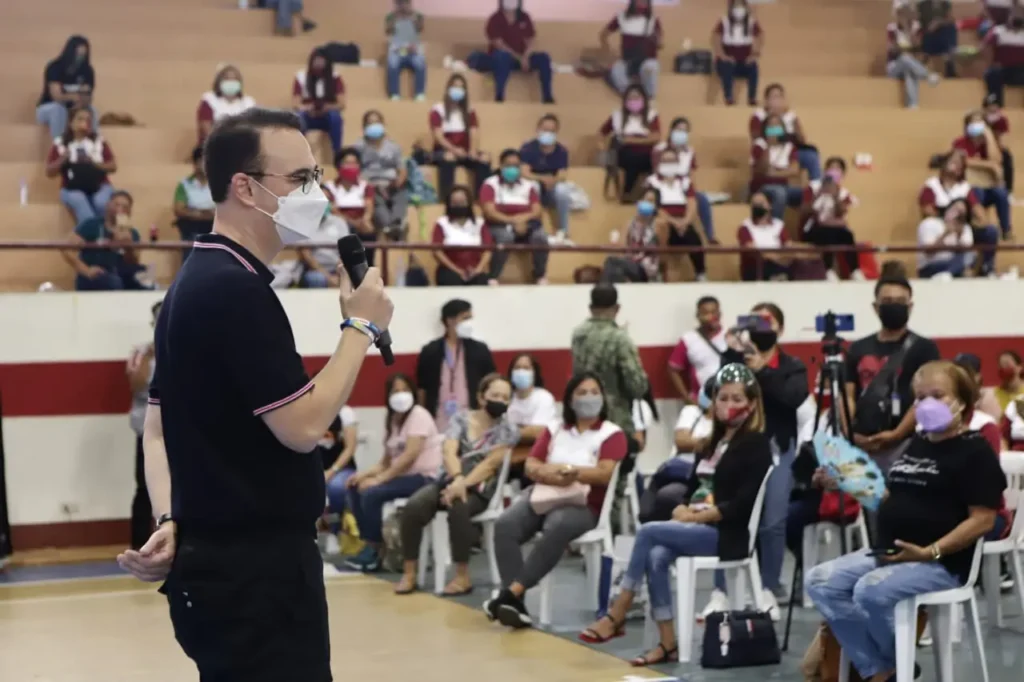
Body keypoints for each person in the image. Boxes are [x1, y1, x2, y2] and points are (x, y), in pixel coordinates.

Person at [115, 108, 394, 682]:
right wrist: (359, 328)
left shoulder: (192, 283)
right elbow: (304, 427)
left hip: (220, 568)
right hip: (256, 578)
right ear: (244, 186)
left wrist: (172, 516)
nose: (314, 194)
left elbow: (160, 428)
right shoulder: (234, 292)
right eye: (300, 181)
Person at [806, 361, 1007, 682]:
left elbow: (983, 521)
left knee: (869, 591)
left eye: (937, 395)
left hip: (942, 562)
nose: (926, 404)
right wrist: (845, 480)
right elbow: (891, 499)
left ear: (962, 401)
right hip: (889, 551)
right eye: (920, 397)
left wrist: (930, 552)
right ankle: (885, 668)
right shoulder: (917, 444)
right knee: (820, 581)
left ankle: (889, 665)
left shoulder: (975, 452)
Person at [578, 364, 773, 666]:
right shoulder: (709, 444)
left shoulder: (756, 445)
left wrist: (697, 517)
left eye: (737, 399)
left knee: (647, 532)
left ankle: (616, 612)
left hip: (725, 532)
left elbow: (741, 505)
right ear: (713, 401)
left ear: (752, 404)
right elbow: (691, 488)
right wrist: (681, 507)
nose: (729, 406)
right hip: (693, 525)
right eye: (723, 398)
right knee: (656, 555)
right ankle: (668, 643)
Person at [484, 372, 628, 628]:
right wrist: (548, 472)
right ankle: (515, 604)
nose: (589, 398)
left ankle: (510, 594)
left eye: (594, 392)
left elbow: (604, 473)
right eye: (581, 393)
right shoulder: (555, 428)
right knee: (506, 524)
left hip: (584, 505)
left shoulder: (612, 433)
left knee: (557, 524)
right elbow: (532, 463)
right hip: (545, 494)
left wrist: (571, 472)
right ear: (570, 400)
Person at [719, 302, 808, 617]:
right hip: (740, 447)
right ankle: (724, 588)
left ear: (779, 329)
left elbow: (792, 398)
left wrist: (760, 371)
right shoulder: (736, 359)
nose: (758, 330)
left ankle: (769, 584)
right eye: (752, 322)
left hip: (778, 446)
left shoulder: (792, 365)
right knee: (730, 515)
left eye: (765, 324)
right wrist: (730, 356)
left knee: (772, 521)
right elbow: (714, 391)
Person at [396, 373, 520, 594]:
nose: (500, 400)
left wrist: (462, 485)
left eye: (505, 397)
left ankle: (462, 577)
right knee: (414, 507)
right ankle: (409, 573)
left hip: (482, 488)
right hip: (450, 479)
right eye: (495, 395)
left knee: (458, 507)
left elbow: (490, 465)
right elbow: (449, 451)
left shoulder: (509, 430)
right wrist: (457, 479)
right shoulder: (461, 419)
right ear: (482, 397)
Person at [845, 273, 942, 475]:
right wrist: (849, 434)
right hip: (859, 445)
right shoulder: (857, 348)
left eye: (900, 301)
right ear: (875, 307)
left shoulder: (924, 348)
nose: (894, 305)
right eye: (887, 301)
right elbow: (847, 395)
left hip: (905, 445)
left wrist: (896, 435)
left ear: (910, 306)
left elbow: (925, 399)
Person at [345, 373, 442, 572]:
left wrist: (379, 480)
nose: (401, 395)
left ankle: (374, 551)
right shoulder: (393, 420)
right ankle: (369, 542)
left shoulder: (419, 415)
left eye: (405, 390)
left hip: (424, 479)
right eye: (395, 391)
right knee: (355, 486)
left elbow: (409, 456)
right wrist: (363, 475)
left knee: (372, 493)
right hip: (402, 477)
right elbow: (386, 462)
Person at [570, 284, 650, 438]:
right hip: (615, 418)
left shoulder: (578, 334)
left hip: (583, 415)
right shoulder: (620, 339)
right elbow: (638, 386)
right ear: (617, 308)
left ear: (590, 307)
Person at [415, 299, 497, 433]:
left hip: (472, 418)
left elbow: (491, 383)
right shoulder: (430, 350)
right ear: (450, 320)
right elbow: (422, 388)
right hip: (439, 419)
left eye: (470, 318)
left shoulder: (480, 350)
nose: (469, 323)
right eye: (465, 318)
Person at [479, 148, 549, 284]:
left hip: (526, 224)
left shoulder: (529, 186)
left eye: (516, 166)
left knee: (540, 237)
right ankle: (493, 276)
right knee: (505, 237)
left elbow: (537, 211)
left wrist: (521, 220)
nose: (512, 169)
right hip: (498, 225)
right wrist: (512, 221)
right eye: (508, 165)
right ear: (500, 166)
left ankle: (540, 275)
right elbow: (489, 211)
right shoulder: (490, 184)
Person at [62, 190, 149, 291]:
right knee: (114, 283)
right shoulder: (92, 225)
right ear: (108, 205)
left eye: (125, 207)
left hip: (120, 273)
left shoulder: (132, 233)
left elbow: (133, 263)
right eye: (117, 205)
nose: (120, 209)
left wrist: (128, 247)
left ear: (129, 212)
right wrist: (86, 270)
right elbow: (66, 249)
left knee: (145, 280)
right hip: (95, 274)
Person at [127, 300, 162, 550]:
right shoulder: (142, 351)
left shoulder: (186, 347)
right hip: (147, 427)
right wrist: (150, 359)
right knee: (144, 484)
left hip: (180, 427)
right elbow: (136, 386)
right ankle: (140, 542)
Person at [470, 0, 555, 104]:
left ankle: (548, 98)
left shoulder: (525, 17)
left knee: (544, 58)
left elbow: (531, 41)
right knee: (502, 56)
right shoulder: (495, 19)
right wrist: (519, 58)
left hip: (522, 60)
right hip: (503, 60)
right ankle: (499, 97)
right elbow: (499, 45)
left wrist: (526, 57)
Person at [46, 106, 117, 224]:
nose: (84, 123)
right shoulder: (60, 143)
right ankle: (93, 236)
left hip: (100, 185)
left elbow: (113, 166)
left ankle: (103, 235)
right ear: (70, 122)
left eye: (88, 120)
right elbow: (49, 172)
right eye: (80, 119)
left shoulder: (99, 141)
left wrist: (94, 163)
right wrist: (64, 158)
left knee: (101, 202)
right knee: (80, 202)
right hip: (71, 188)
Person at [429, 74, 493, 199]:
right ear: (448, 88)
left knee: (484, 158)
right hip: (445, 151)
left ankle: (481, 198)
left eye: (461, 87)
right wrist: (454, 149)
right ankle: (446, 198)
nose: (458, 90)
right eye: (455, 86)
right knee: (449, 157)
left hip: (465, 151)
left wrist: (473, 151)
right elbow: (438, 137)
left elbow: (474, 132)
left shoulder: (470, 111)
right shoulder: (438, 109)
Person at [801, 157, 863, 281]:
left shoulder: (844, 193)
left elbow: (841, 212)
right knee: (827, 234)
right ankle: (828, 270)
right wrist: (820, 193)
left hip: (834, 228)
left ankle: (855, 270)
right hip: (813, 227)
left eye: (837, 169)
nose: (834, 171)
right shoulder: (813, 187)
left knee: (847, 235)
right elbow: (804, 210)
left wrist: (835, 196)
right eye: (831, 168)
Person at [352, 110, 408, 240]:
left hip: (391, 183)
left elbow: (402, 169)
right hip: (371, 183)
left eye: (376, 122)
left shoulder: (393, 146)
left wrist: (398, 182)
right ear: (364, 127)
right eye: (370, 123)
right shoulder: (358, 146)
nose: (373, 125)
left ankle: (397, 223)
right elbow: (356, 170)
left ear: (383, 124)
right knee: (375, 198)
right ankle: (389, 226)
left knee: (402, 195)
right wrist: (369, 184)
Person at [599, 84, 661, 198]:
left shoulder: (651, 115)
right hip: (624, 153)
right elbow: (602, 133)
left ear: (643, 99)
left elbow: (656, 137)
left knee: (657, 158)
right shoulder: (617, 115)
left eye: (637, 98)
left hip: (647, 153)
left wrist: (632, 140)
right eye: (630, 98)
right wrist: (603, 149)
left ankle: (650, 192)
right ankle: (628, 193)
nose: (633, 101)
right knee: (632, 157)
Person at [506, 353, 558, 485]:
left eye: (526, 368)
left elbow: (538, 433)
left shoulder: (543, 397)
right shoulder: (506, 397)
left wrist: (508, 431)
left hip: (533, 455)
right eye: (517, 368)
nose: (521, 371)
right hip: (505, 454)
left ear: (535, 373)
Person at [519, 114, 572, 241]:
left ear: (556, 132)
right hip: (534, 189)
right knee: (534, 186)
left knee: (563, 191)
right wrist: (542, 178)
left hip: (551, 190)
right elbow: (524, 172)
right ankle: (537, 229)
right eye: (544, 130)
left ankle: (564, 231)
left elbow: (562, 175)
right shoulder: (528, 148)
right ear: (538, 130)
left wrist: (553, 180)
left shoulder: (561, 151)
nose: (547, 133)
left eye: (551, 131)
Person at [36, 35, 97, 140]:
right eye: (78, 55)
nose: (80, 58)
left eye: (83, 55)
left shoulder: (88, 71)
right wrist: (75, 96)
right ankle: (59, 146)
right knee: (59, 110)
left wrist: (81, 102)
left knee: (92, 111)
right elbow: (57, 96)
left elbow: (89, 97)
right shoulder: (54, 67)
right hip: (48, 108)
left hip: (75, 108)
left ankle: (94, 147)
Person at [667, 295, 727, 402]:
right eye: (706, 313)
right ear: (698, 316)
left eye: (714, 312)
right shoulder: (688, 339)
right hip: (702, 400)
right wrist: (686, 398)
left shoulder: (730, 336)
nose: (711, 316)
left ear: (720, 314)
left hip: (728, 399)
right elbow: (673, 370)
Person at [430, 185, 494, 286]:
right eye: (455, 202)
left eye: (462, 202)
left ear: (469, 203)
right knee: (452, 281)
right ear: (449, 204)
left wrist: (478, 270)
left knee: (482, 282)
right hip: (449, 271)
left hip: (476, 270)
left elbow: (488, 250)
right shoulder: (442, 223)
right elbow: (437, 251)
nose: (459, 205)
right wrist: (458, 271)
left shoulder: (479, 223)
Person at [600, 0, 663, 99]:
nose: (642, 4)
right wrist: (608, 51)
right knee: (616, 70)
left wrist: (656, 40)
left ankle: (649, 98)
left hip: (647, 60)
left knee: (650, 68)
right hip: (628, 60)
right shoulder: (621, 17)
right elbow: (603, 35)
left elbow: (660, 44)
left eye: (646, 2)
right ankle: (630, 95)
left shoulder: (653, 20)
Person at [293, 46, 346, 159]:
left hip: (326, 116)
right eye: (316, 60)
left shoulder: (335, 77)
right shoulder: (301, 76)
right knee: (299, 117)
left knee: (336, 117)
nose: (318, 63)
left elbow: (341, 104)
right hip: (309, 115)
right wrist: (307, 108)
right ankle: (298, 155)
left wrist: (327, 107)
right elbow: (296, 104)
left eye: (322, 60)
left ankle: (338, 154)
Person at [602, 186, 661, 284]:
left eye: (650, 201)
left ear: (656, 205)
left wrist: (648, 219)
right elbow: (621, 247)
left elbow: (661, 247)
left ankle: (605, 292)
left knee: (611, 262)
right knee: (615, 269)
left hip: (646, 268)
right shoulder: (629, 223)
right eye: (644, 199)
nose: (646, 203)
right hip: (629, 263)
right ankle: (610, 293)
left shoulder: (659, 224)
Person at [321, 407, 359, 555]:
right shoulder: (307, 410)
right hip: (313, 468)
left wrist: (332, 471)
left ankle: (334, 531)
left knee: (336, 488)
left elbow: (350, 448)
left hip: (341, 469)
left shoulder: (346, 413)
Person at [886, 3, 940, 109]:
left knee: (909, 72)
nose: (905, 15)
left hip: (912, 66)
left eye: (907, 12)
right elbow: (893, 50)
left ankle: (912, 105)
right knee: (905, 58)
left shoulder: (916, 28)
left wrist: (907, 30)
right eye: (902, 13)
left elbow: (918, 47)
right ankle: (927, 75)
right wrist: (907, 49)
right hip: (894, 67)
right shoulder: (892, 28)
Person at [712, 0, 763, 106]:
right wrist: (722, 55)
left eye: (741, 6)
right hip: (727, 62)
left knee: (753, 67)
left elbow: (760, 36)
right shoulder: (724, 22)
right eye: (736, 6)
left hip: (743, 62)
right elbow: (716, 37)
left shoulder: (751, 22)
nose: (739, 10)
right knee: (727, 66)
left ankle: (752, 98)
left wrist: (755, 54)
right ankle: (729, 98)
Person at [173, 145, 216, 259]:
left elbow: (222, 209)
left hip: (215, 228)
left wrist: (195, 211)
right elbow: (179, 210)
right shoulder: (184, 185)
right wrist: (203, 214)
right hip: (192, 228)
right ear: (195, 163)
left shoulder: (218, 184)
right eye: (202, 161)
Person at [196, 64, 256, 142]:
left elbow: (255, 131)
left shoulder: (248, 103)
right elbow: (206, 130)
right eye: (227, 79)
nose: (231, 82)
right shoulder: (209, 101)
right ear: (219, 82)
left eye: (235, 79)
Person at [386, 0, 427, 101]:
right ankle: (394, 93)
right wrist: (396, 17)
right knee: (392, 63)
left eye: (405, 3)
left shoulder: (418, 16)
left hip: (413, 50)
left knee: (420, 62)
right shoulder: (390, 16)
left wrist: (412, 16)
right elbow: (388, 31)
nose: (403, 6)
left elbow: (420, 28)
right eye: (400, 3)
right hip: (397, 50)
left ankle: (419, 93)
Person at [953, 352, 1003, 420]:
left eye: (966, 372)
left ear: (978, 377)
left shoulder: (987, 396)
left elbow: (994, 424)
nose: (961, 376)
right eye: (958, 372)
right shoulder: (954, 396)